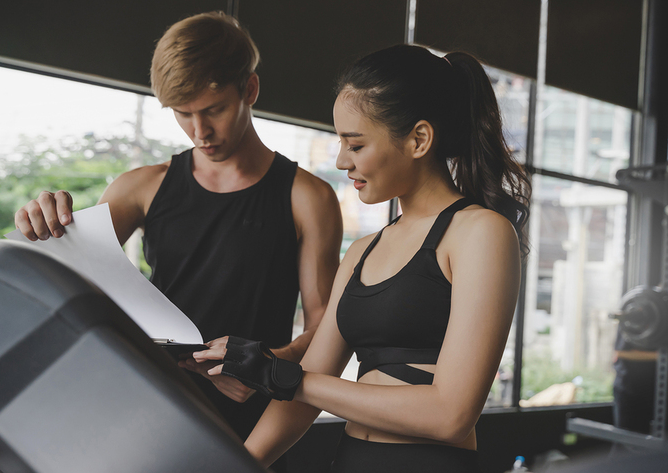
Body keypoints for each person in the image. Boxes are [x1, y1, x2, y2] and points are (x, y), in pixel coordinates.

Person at [13, 11, 343, 470]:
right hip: (148, 413)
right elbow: (61, 279)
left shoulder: (309, 197)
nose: (199, 132)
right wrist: (44, 222)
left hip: (254, 425)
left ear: (249, 90)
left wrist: (267, 363)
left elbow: (326, 327)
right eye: (183, 115)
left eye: (214, 110)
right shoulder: (140, 187)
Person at [195, 44, 531, 472]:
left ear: (419, 139)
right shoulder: (362, 250)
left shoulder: (479, 232)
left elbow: (451, 415)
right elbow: (304, 392)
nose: (341, 160)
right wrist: (238, 463)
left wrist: (285, 377)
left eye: (355, 145)